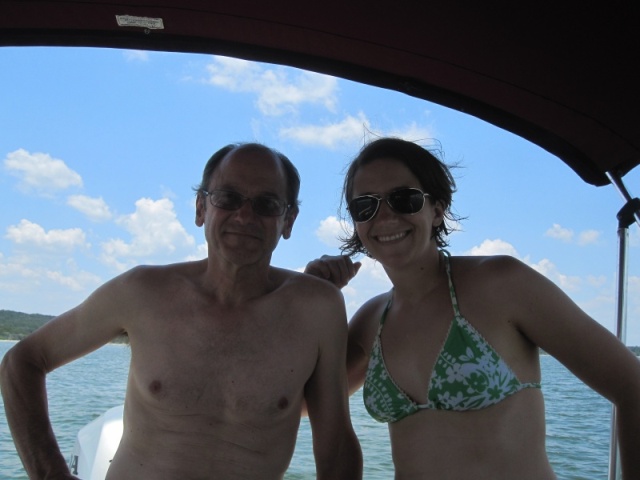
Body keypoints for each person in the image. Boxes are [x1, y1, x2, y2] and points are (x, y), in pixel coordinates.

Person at [0, 143, 363, 480]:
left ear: (288, 221)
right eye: (228, 198)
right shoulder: (141, 292)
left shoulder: (317, 309)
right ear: (201, 208)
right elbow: (23, 362)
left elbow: (335, 446)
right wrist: (51, 474)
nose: (245, 215)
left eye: (267, 204)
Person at [305, 137, 640, 479]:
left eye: (403, 199)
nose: (385, 215)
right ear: (358, 224)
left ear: (436, 211)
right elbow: (300, 405)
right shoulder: (371, 321)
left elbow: (632, 385)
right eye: (366, 206)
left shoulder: (503, 284)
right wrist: (313, 301)